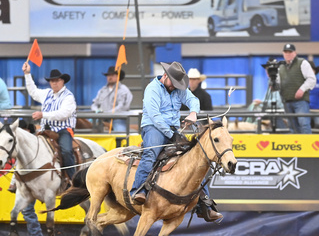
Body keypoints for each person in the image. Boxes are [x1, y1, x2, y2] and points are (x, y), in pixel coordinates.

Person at [130, 61, 222, 222]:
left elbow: (193, 100)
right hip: (154, 127)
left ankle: (204, 205)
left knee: (195, 159)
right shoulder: (152, 89)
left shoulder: (178, 88)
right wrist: (170, 134)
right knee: (151, 153)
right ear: (165, 76)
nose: (175, 86)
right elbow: (155, 116)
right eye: (173, 82)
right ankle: (138, 191)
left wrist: (193, 113)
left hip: (173, 129)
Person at [22, 62, 77, 181]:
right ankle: (19, 179)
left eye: (57, 80)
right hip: (45, 130)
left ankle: (72, 180)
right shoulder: (47, 93)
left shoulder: (68, 97)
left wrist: (43, 114)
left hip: (63, 130)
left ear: (63, 81)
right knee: (27, 147)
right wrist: (27, 74)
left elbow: (63, 114)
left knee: (67, 151)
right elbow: (33, 91)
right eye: (52, 81)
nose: (54, 83)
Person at [278, 43, 316, 134]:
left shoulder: (303, 63)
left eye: (290, 52)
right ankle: (297, 145)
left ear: (295, 53)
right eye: (286, 52)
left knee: (304, 124)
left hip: (301, 100)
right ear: (283, 53)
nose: (288, 54)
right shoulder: (281, 67)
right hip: (287, 100)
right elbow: (278, 83)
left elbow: (312, 79)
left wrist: (302, 89)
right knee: (292, 126)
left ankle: (307, 145)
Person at [91, 66, 133, 132]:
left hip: (117, 119)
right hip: (102, 118)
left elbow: (123, 106)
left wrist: (108, 113)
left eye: (113, 75)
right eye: (108, 75)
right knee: (89, 127)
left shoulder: (124, 90)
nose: (110, 77)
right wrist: (97, 111)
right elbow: (94, 104)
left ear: (118, 76)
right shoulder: (102, 90)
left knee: (120, 133)